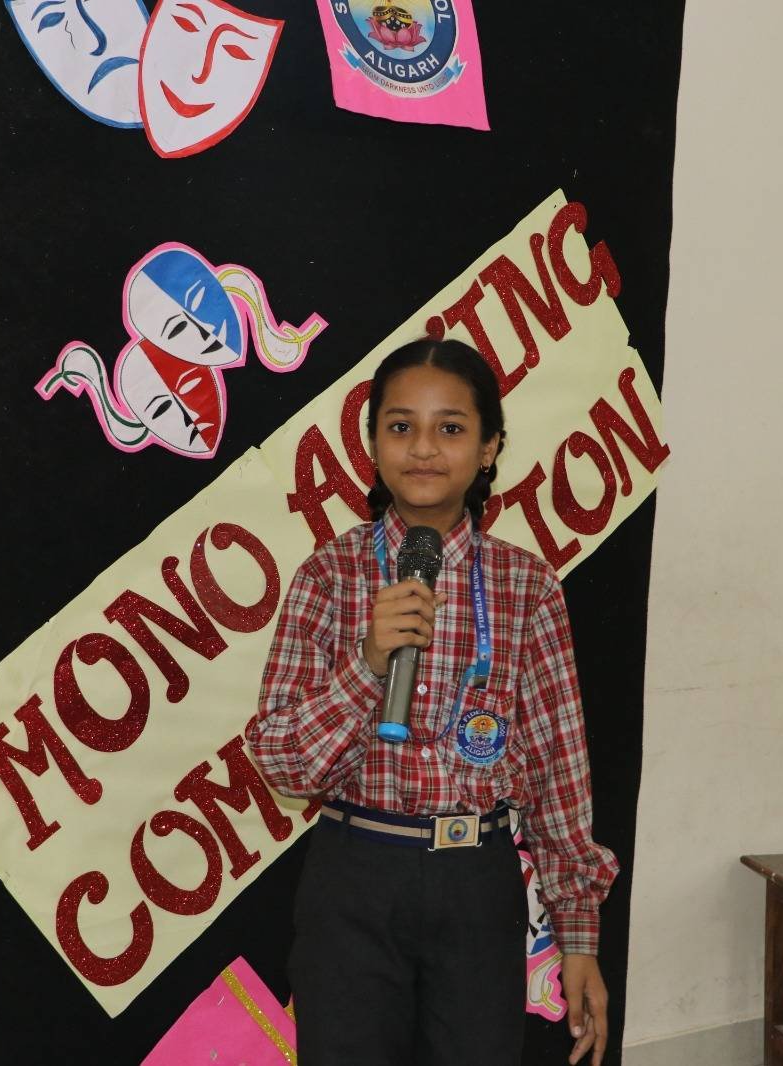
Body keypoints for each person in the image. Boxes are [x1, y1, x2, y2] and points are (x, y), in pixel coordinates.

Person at [245, 337, 619, 1065]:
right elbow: (284, 765)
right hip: (355, 875)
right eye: (400, 426)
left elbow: (558, 773)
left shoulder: (526, 585)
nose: (423, 448)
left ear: (489, 448)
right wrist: (367, 664)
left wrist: (578, 936)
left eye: (450, 427)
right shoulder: (330, 574)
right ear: (373, 445)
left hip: (475, 879)